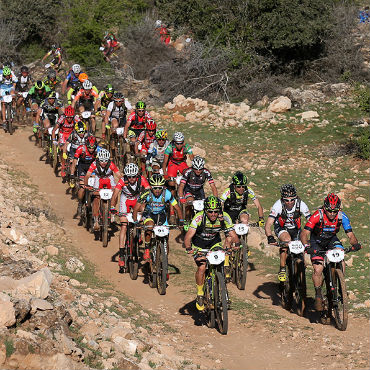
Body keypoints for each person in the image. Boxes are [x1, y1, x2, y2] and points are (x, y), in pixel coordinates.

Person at [301, 193, 362, 311]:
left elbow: (350, 234)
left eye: (335, 211)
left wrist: (355, 244)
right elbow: (304, 233)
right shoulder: (317, 215)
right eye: (329, 211)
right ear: (325, 208)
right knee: (318, 269)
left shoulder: (342, 216)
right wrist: (306, 246)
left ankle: (340, 285)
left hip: (331, 239)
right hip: (316, 240)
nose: (332, 214)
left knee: (341, 255)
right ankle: (318, 293)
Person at [184, 195, 239, 311]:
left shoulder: (224, 217)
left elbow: (232, 234)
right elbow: (188, 236)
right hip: (198, 244)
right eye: (210, 212)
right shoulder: (199, 218)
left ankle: (224, 292)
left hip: (214, 243)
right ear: (205, 211)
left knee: (220, 264)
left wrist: (237, 244)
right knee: (202, 267)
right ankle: (200, 294)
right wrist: (189, 248)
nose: (213, 214)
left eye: (215, 211)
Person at [264, 184, 311, 283]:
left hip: (296, 229)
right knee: (286, 241)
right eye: (286, 200)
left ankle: (300, 273)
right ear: (282, 199)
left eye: (292, 200)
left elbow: (311, 221)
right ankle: (282, 269)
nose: (289, 202)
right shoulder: (278, 205)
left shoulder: (301, 204)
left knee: (302, 252)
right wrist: (270, 237)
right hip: (281, 228)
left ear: (296, 198)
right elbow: (268, 224)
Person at [133, 174, 183, 263]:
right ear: (151, 187)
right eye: (155, 188)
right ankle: (147, 249)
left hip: (161, 216)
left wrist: (181, 221)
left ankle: (164, 263)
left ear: (163, 187)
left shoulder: (167, 193)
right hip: (149, 214)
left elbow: (177, 208)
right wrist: (136, 221)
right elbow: (136, 208)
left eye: (159, 188)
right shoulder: (146, 193)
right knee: (149, 227)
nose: (157, 190)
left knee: (165, 240)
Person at [111, 163, 150, 272]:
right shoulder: (123, 180)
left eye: (133, 176)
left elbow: (148, 191)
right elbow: (115, 194)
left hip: (138, 199)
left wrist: (147, 205)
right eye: (129, 176)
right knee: (124, 225)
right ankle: (122, 254)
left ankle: (140, 235)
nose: (132, 179)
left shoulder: (141, 179)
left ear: (137, 175)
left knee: (144, 217)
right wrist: (113, 207)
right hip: (125, 200)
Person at [84, 148, 123, 230]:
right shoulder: (94, 164)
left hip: (109, 178)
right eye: (101, 160)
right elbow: (87, 175)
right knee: (96, 198)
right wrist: (86, 184)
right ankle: (96, 220)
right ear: (98, 159)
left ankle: (112, 210)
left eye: (106, 160)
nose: (104, 163)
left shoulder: (111, 164)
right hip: (98, 179)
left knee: (115, 194)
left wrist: (122, 184)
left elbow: (119, 175)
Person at [178, 156, 218, 223]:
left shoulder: (206, 172)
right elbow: (181, 186)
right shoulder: (188, 172)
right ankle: (187, 220)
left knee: (203, 208)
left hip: (199, 191)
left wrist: (216, 199)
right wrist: (181, 197)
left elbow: (213, 186)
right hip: (188, 190)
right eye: (196, 169)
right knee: (190, 204)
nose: (198, 171)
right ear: (193, 167)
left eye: (200, 169)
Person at [70, 135, 99, 215]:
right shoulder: (80, 149)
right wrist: (72, 174)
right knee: (82, 188)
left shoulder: (98, 150)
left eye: (93, 148)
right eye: (90, 147)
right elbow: (74, 162)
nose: (91, 149)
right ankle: (80, 203)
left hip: (92, 168)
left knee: (95, 187)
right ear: (86, 145)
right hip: (82, 167)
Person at [52, 105, 80, 178]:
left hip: (71, 134)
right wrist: (54, 139)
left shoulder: (76, 118)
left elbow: (82, 126)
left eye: (71, 117)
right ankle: (63, 165)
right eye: (68, 117)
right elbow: (54, 130)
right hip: (63, 134)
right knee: (62, 148)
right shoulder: (62, 118)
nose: (70, 119)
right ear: (65, 116)